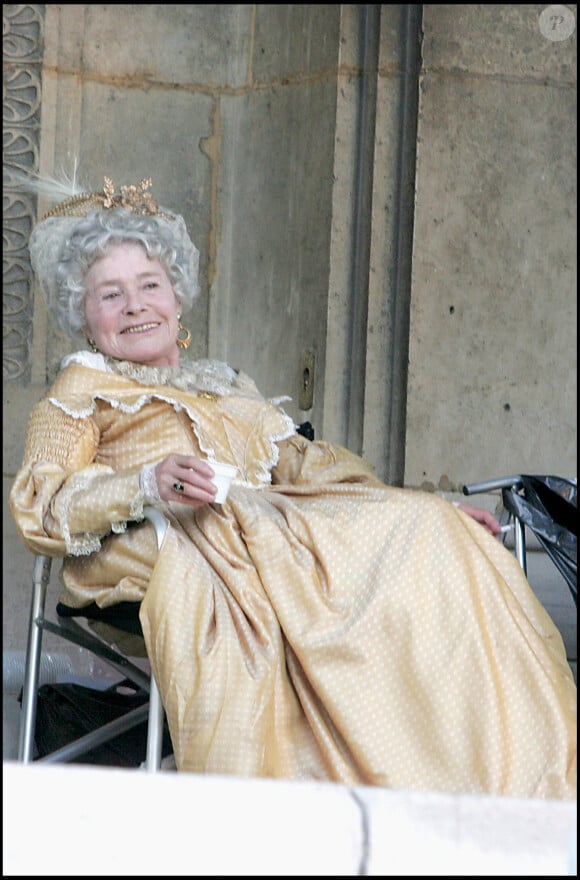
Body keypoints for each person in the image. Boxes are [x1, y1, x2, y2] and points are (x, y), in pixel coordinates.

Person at [10, 176, 576, 800]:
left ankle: (474, 773)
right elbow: (44, 503)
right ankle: (288, 805)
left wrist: (425, 506)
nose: (136, 305)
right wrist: (144, 481)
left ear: (177, 297)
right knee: (253, 576)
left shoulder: (226, 385)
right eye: (110, 295)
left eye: (150, 285)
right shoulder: (80, 390)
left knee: (435, 535)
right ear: (84, 316)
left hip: (270, 529)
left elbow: (310, 468)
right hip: (163, 538)